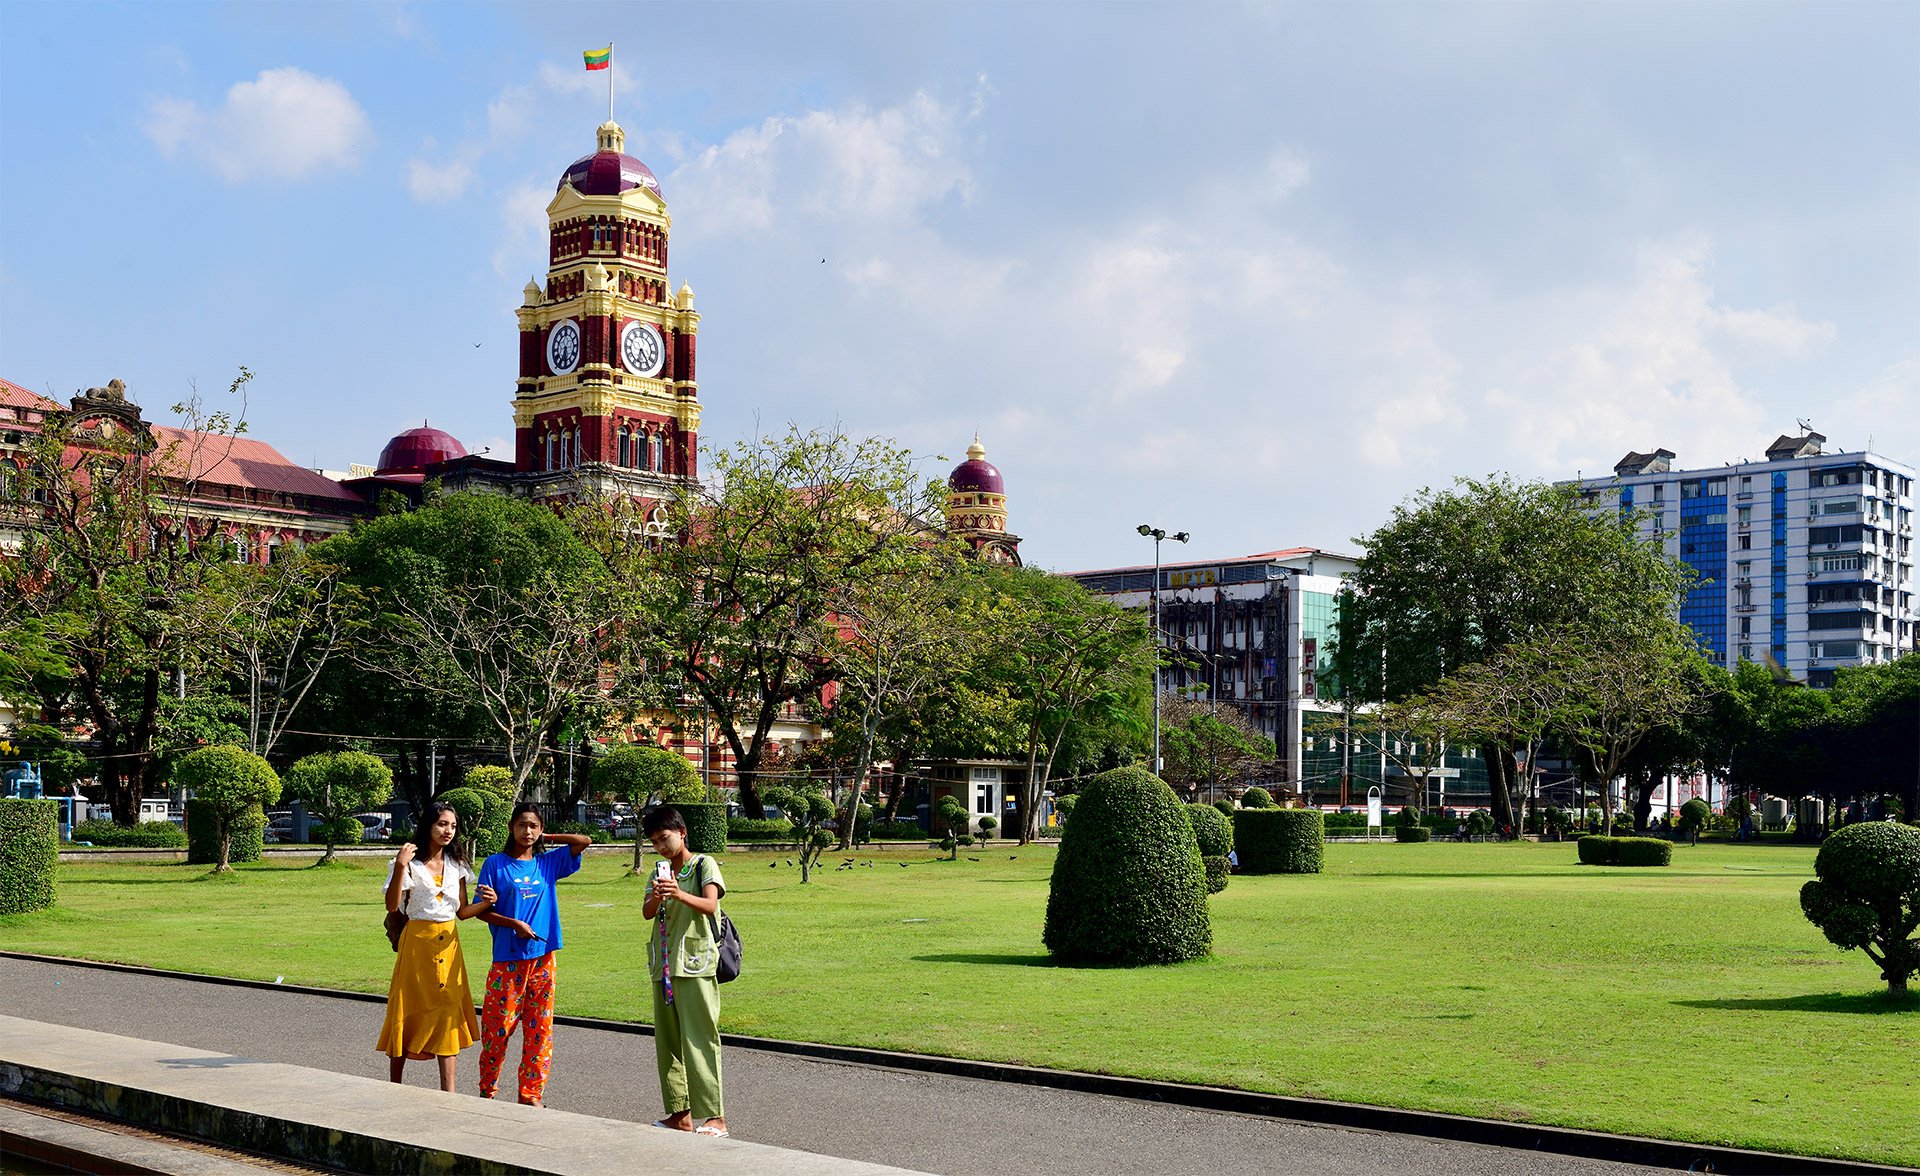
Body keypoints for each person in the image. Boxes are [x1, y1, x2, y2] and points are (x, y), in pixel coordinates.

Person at [475, 804, 590, 1106]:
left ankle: (531, 1096)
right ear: (511, 827)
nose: (527, 831)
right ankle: (487, 1091)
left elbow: (583, 842)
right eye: (522, 825)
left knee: (540, 1032)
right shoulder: (495, 865)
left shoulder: (547, 863)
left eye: (533, 826)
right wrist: (513, 923)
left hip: (542, 960)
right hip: (507, 960)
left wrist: (548, 836)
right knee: (497, 1031)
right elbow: (480, 911)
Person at [378, 802, 493, 1092]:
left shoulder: (457, 866)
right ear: (429, 824)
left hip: (450, 944)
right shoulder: (408, 864)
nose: (448, 831)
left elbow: (462, 912)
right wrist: (401, 865)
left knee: (447, 1010)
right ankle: (395, 1084)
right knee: (408, 1008)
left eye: (453, 826)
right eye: (442, 824)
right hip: (417, 944)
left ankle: (449, 1091)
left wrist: (488, 903)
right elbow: (392, 905)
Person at [642, 805, 728, 1137]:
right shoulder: (657, 873)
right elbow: (647, 913)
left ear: (682, 832)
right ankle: (680, 1114)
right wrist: (660, 896)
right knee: (668, 1043)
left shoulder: (703, 864)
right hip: (663, 966)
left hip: (695, 964)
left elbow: (710, 905)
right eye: (654, 842)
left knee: (700, 1039)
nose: (661, 847)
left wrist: (679, 893)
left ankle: (715, 1117)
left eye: (664, 838)